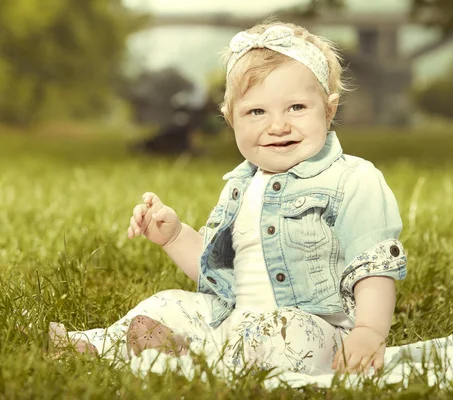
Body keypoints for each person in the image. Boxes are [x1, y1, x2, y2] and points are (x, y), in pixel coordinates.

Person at [50, 21, 407, 375]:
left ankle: (188, 360)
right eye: (257, 112)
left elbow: (372, 267)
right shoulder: (240, 185)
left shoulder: (353, 180)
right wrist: (174, 237)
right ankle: (99, 346)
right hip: (234, 318)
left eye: (296, 107)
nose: (278, 125)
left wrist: (368, 332)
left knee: (284, 335)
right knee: (168, 302)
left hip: (317, 330)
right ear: (230, 119)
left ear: (328, 110)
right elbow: (216, 270)